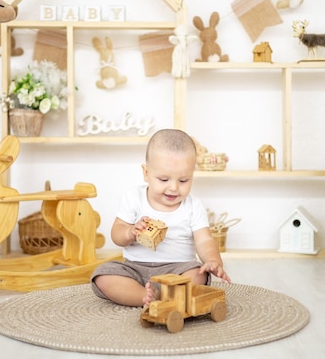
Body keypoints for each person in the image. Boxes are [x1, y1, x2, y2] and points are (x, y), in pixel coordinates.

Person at [91, 128, 230, 307]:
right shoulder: (134, 198)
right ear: (146, 173)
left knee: (198, 274)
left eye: (183, 180)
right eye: (164, 180)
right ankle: (145, 296)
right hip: (135, 268)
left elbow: (204, 241)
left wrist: (213, 260)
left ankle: (163, 296)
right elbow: (116, 235)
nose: (173, 187)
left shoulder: (193, 206)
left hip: (178, 270)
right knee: (103, 275)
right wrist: (130, 232)